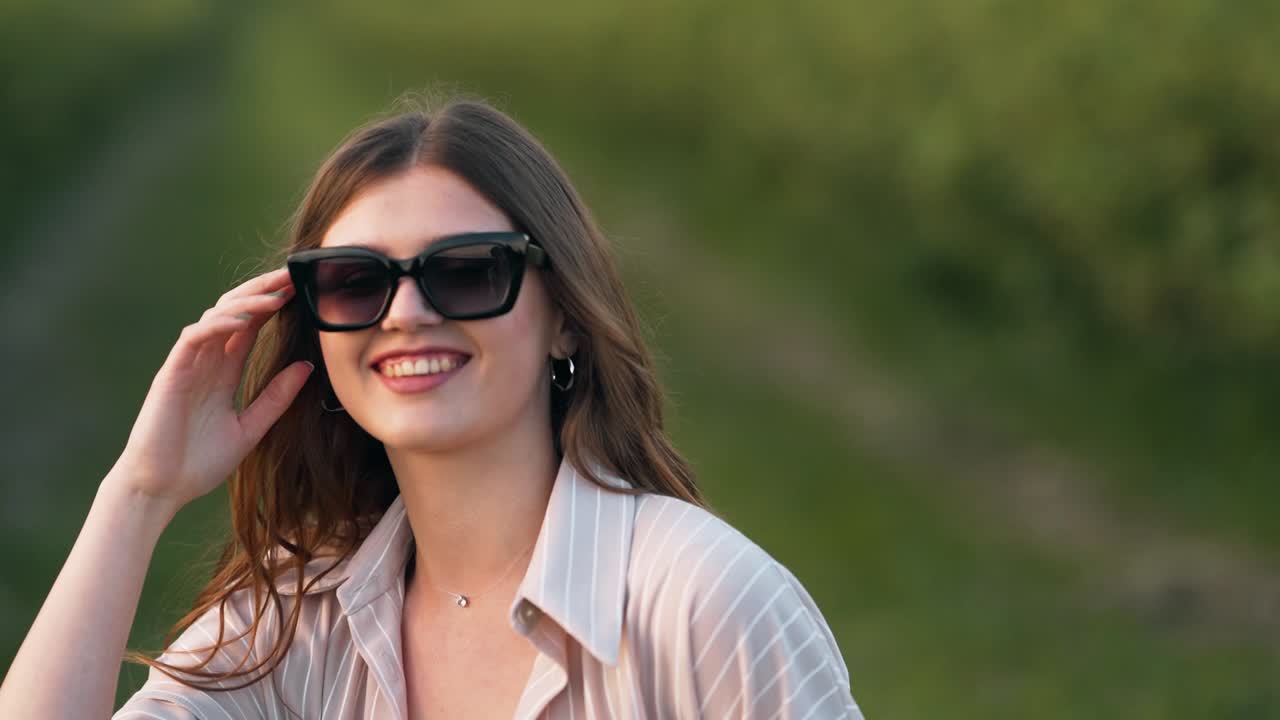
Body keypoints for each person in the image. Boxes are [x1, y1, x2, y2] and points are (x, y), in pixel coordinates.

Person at [0, 96, 863, 719]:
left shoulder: (705, 602)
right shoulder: (297, 622)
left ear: (565, 318)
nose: (407, 314)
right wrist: (138, 494)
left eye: (467, 271)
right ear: (316, 329)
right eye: (355, 282)